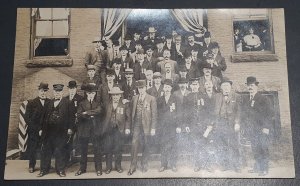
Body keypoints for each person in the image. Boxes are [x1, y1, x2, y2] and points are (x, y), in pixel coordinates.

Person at [38, 84, 74, 177]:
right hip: (48, 131)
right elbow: (43, 117)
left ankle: (60, 170)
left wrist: (70, 128)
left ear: (62, 92)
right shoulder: (48, 103)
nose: (57, 93)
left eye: (59, 91)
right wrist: (41, 128)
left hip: (61, 132)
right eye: (55, 91)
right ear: (53, 92)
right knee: (46, 150)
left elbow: (72, 117)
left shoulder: (68, 102)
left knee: (60, 151)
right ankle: (44, 170)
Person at [243, 76, 273, 176]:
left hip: (262, 129)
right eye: (248, 85)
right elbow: (246, 115)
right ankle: (257, 167)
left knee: (263, 148)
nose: (250, 87)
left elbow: (269, 114)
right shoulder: (247, 98)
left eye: (252, 85)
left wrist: (266, 127)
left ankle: (264, 169)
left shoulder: (263, 98)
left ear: (256, 86)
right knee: (255, 148)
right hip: (252, 129)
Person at [127, 80, 157, 175]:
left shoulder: (151, 99)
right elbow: (131, 112)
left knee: (146, 144)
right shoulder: (134, 98)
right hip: (136, 125)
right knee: (134, 144)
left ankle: (144, 163)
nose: (141, 90)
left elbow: (155, 115)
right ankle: (133, 166)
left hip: (147, 125)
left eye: (142, 88)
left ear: (145, 88)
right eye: (139, 88)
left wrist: (153, 128)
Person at [213, 77, 242, 172]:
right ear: (221, 87)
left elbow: (239, 111)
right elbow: (214, 110)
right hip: (221, 123)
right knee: (222, 144)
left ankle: (237, 165)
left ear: (230, 87)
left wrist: (237, 123)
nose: (225, 88)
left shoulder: (236, 96)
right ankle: (225, 165)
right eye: (224, 86)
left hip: (232, 123)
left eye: (227, 85)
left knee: (234, 144)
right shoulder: (217, 96)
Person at [75, 83, 103, 176]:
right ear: (86, 93)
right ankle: (82, 169)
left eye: (93, 93)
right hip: (84, 130)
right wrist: (91, 115)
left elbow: (99, 111)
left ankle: (98, 169)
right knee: (83, 150)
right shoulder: (81, 103)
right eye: (89, 93)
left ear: (95, 94)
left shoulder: (98, 103)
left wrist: (86, 112)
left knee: (97, 150)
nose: (91, 95)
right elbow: (79, 115)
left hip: (95, 130)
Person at [183, 79, 211, 172]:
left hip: (203, 125)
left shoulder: (204, 96)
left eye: (196, 84)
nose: (194, 86)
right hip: (193, 125)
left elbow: (208, 111)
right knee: (195, 145)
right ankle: (197, 164)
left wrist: (209, 125)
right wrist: (186, 124)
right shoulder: (187, 97)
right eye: (192, 85)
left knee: (205, 145)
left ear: (199, 85)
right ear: (190, 86)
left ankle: (207, 165)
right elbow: (185, 113)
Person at [102, 86, 131, 174]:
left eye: (117, 95)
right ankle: (108, 167)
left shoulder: (124, 104)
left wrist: (127, 128)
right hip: (108, 129)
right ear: (111, 96)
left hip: (119, 130)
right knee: (108, 148)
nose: (115, 97)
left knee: (118, 148)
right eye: (113, 95)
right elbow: (102, 115)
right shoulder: (107, 104)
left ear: (120, 95)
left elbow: (128, 118)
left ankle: (118, 166)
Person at [25, 82, 50, 173]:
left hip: (46, 130)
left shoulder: (49, 102)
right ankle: (31, 165)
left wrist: (44, 129)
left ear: (47, 92)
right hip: (33, 131)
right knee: (33, 148)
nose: (43, 93)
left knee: (46, 148)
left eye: (45, 91)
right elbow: (27, 118)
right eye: (41, 91)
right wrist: (37, 129)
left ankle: (45, 165)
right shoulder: (31, 103)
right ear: (38, 91)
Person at [157, 79, 179, 172]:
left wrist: (178, 126)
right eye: (165, 87)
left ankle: (173, 164)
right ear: (163, 88)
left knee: (173, 145)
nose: (166, 89)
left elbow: (179, 113)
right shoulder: (159, 99)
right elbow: (157, 114)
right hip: (163, 127)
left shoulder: (175, 99)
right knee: (163, 145)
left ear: (171, 88)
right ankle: (163, 164)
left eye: (168, 87)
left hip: (172, 126)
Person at [64, 81, 84, 166]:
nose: (72, 90)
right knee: (68, 140)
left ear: (76, 89)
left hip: (78, 123)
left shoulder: (80, 98)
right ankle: (68, 159)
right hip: (69, 123)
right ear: (68, 89)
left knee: (79, 140)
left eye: (73, 88)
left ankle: (80, 159)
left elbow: (83, 109)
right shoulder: (65, 99)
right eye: (70, 88)